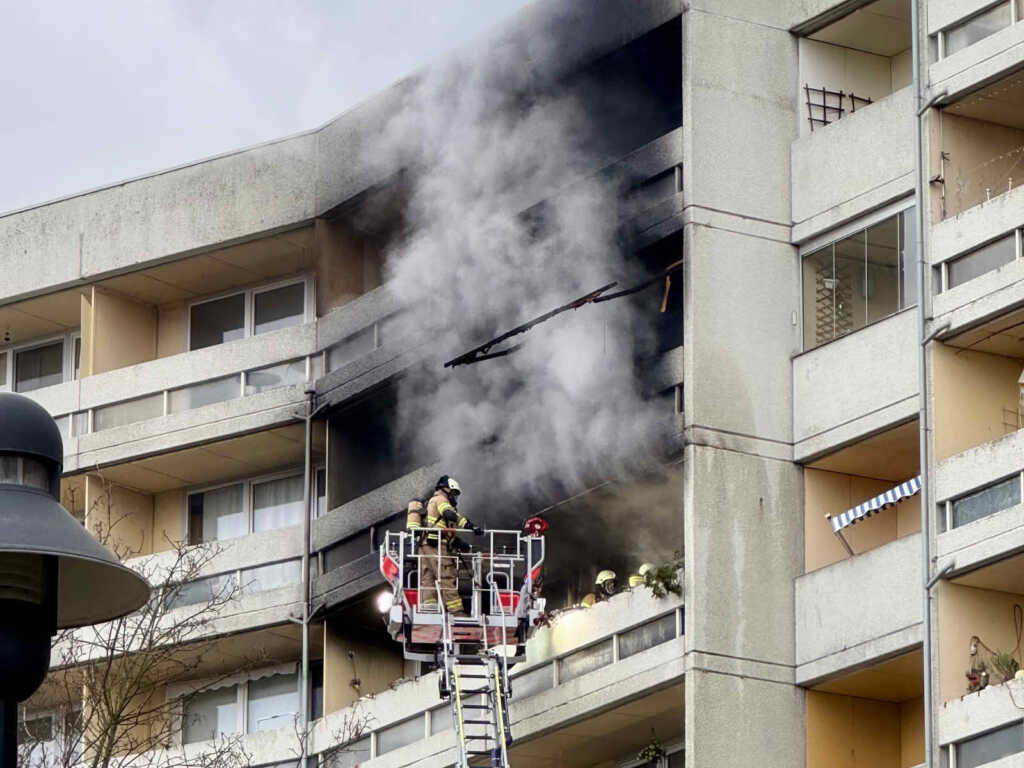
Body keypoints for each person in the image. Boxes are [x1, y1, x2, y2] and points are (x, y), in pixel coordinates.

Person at [416, 475, 482, 615]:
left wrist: (459, 543)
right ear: (446, 490)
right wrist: (470, 525)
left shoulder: (434, 500)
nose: (454, 497)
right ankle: (456, 610)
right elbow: (448, 514)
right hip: (436, 545)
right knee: (447, 574)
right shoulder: (441, 499)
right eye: (454, 493)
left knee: (428, 577)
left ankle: (429, 608)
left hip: (426, 544)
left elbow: (445, 529)